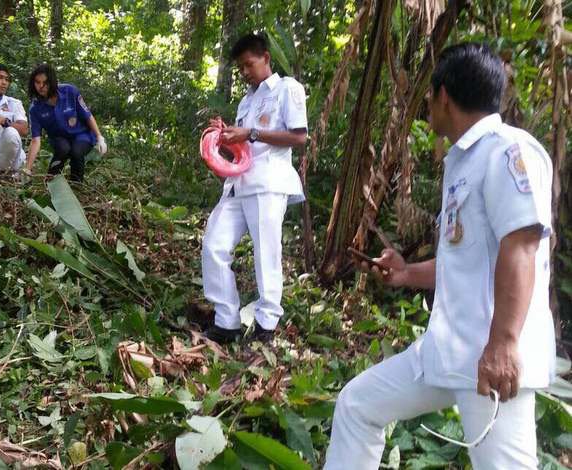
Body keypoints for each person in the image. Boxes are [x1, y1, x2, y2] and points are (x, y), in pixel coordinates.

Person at [324, 43, 555, 469]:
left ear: (443, 95)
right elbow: (464, 262)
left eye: (428, 96)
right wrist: (406, 273)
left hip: (490, 363)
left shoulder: (508, 151)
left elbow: (520, 246)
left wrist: (503, 344)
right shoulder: (462, 160)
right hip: (447, 351)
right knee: (357, 406)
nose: (427, 105)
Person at [201, 33, 308, 344]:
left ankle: (266, 325)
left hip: (267, 182)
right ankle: (227, 321)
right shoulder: (246, 100)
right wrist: (224, 136)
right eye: (241, 68)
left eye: (249, 64)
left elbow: (299, 137)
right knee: (214, 245)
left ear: (266, 58)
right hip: (237, 183)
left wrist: (251, 133)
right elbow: (242, 142)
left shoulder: (288, 89)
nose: (245, 72)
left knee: (266, 253)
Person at [25, 63, 107, 182]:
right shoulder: (35, 108)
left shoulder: (70, 91)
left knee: (76, 152)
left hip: (81, 134)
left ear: (52, 82)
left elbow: (87, 115)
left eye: (45, 82)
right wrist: (28, 168)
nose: (41, 86)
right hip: (59, 137)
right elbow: (35, 140)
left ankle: (77, 184)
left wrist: (100, 137)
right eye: (37, 82)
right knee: (63, 149)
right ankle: (50, 182)